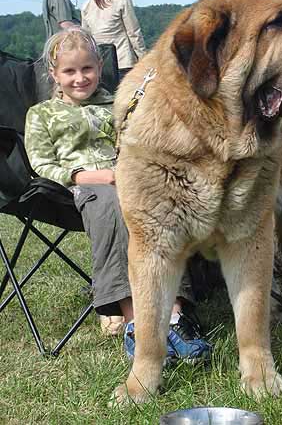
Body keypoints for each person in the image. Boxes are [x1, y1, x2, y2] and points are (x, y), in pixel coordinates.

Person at [24, 27, 211, 362]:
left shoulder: (118, 102)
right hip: (78, 189)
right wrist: (86, 175)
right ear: (54, 74)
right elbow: (40, 162)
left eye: (87, 69)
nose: (80, 78)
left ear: (99, 66)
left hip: (130, 177)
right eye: (69, 71)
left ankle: (174, 315)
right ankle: (135, 322)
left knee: (161, 205)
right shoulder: (42, 114)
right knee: (112, 204)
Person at [81, 0, 146, 80]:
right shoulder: (123, 0)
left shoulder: (87, 5)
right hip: (124, 62)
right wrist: (144, 58)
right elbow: (134, 34)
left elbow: (86, 39)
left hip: (102, 65)